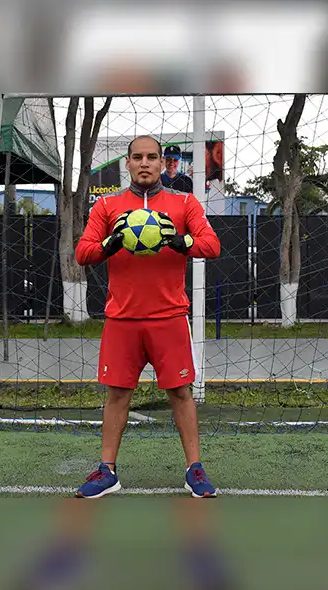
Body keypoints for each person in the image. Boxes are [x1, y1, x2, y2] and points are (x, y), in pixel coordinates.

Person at [74, 135, 221, 498]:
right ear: (127, 163)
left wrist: (181, 242)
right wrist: (109, 244)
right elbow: (83, 252)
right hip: (122, 319)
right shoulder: (107, 205)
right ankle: (107, 471)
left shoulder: (184, 202)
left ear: (161, 162)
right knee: (117, 395)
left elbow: (212, 245)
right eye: (137, 157)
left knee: (181, 393)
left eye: (151, 157)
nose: (144, 163)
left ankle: (194, 469)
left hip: (169, 317)